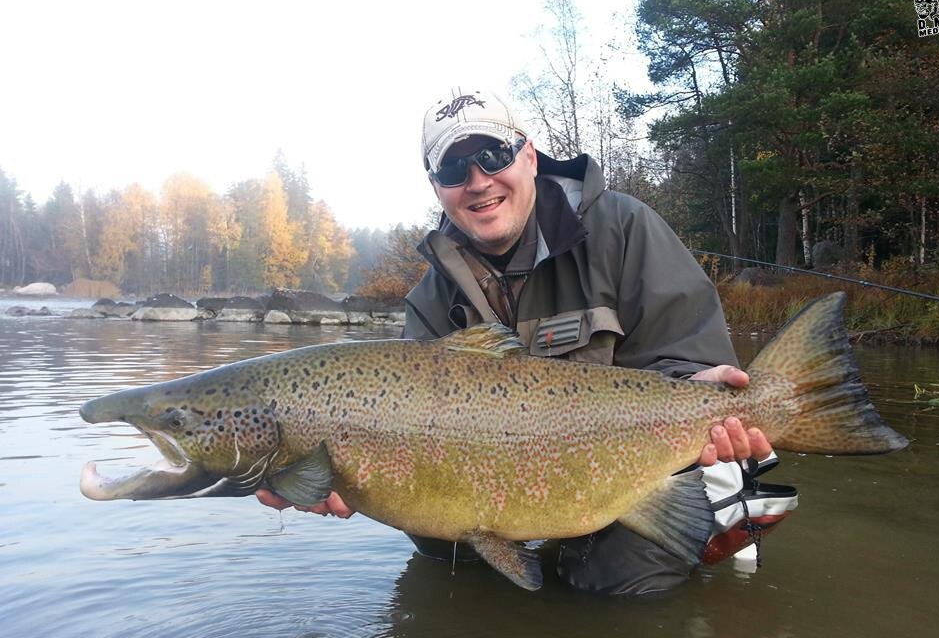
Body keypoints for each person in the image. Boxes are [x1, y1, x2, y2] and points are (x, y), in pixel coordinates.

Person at [258, 87, 774, 595]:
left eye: (492, 155)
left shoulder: (623, 228)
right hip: (501, 477)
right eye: (454, 169)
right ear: (437, 186)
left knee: (618, 579)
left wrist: (701, 388)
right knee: (438, 545)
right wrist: (356, 485)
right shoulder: (431, 300)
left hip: (636, 470)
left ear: (529, 156)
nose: (478, 181)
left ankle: (708, 531)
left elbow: (689, 351)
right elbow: (402, 434)